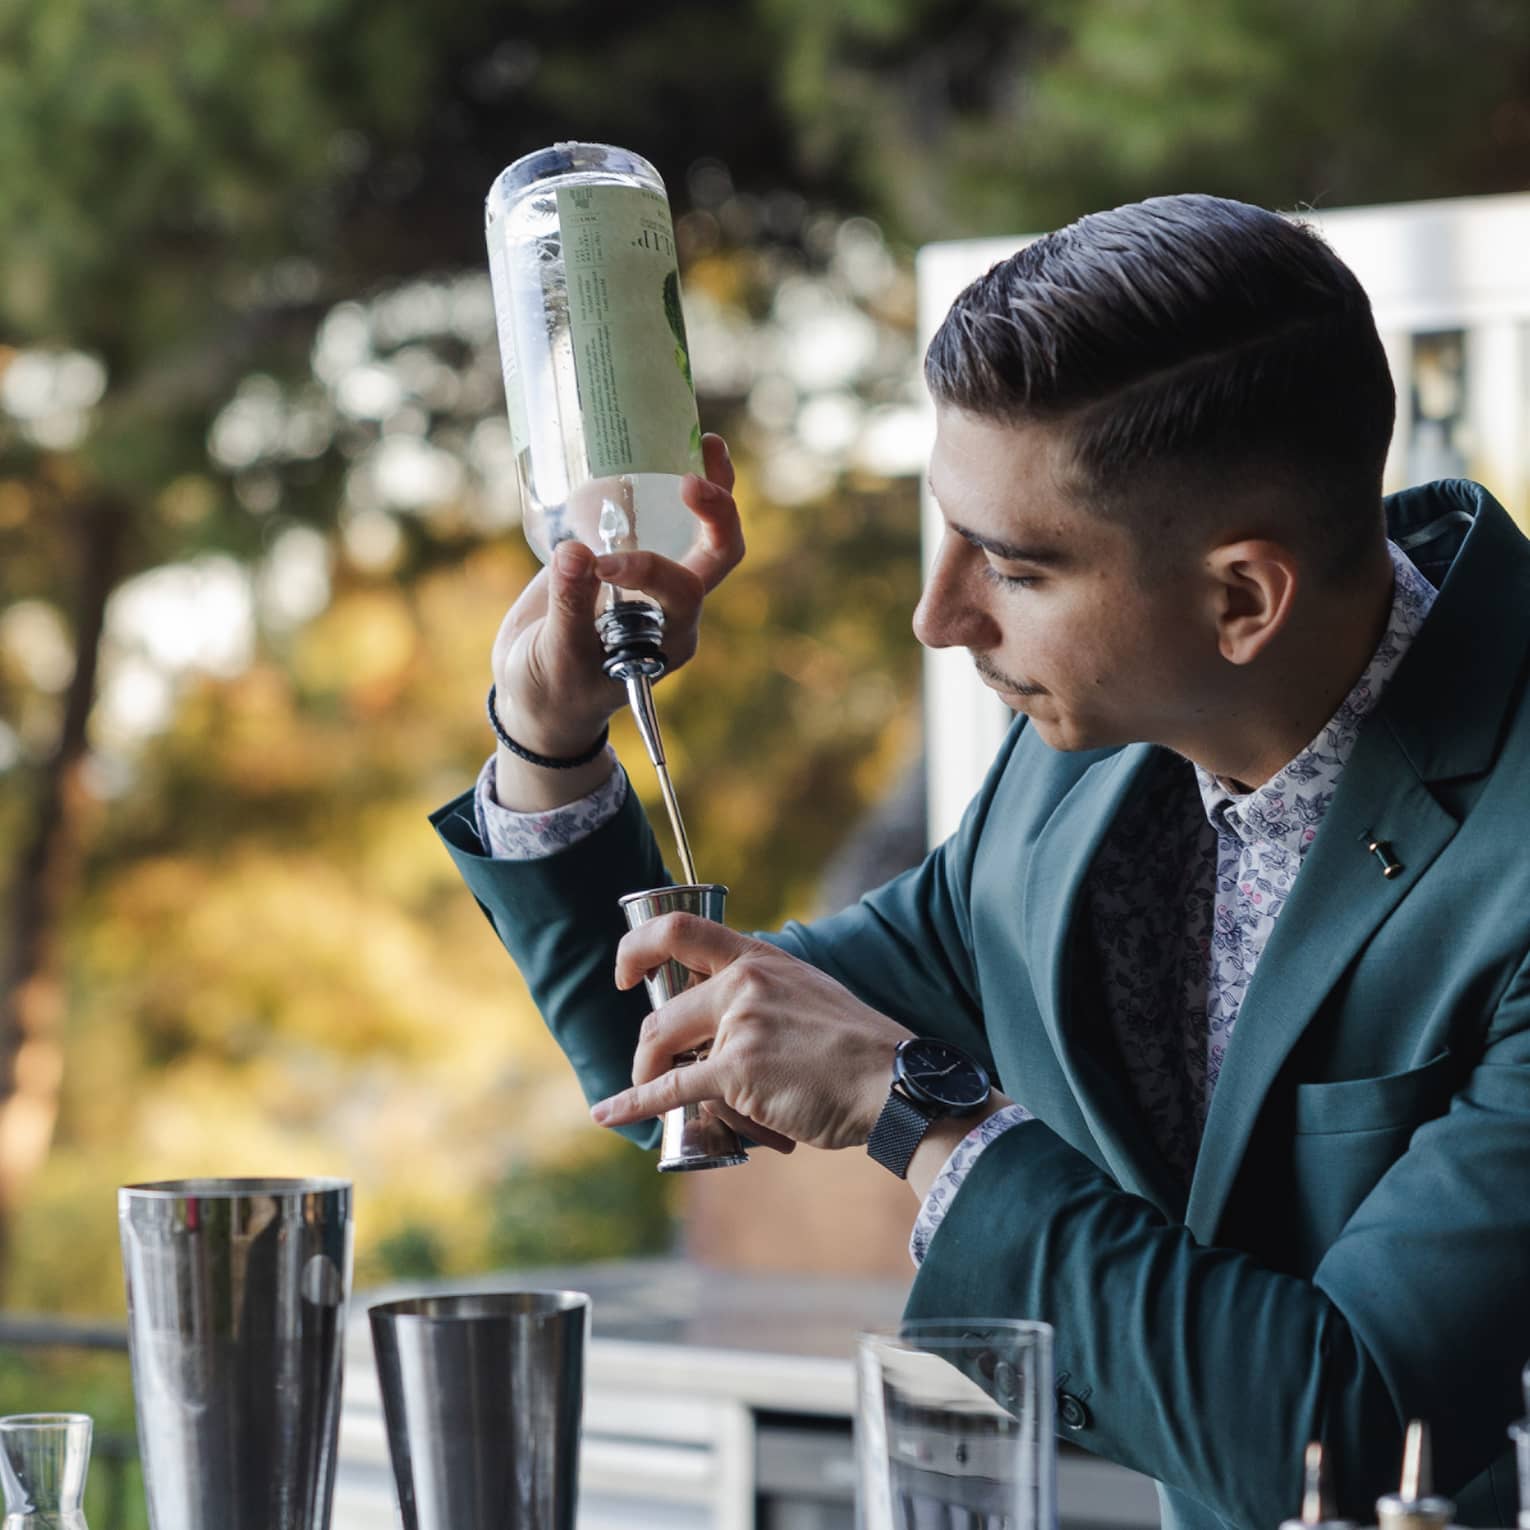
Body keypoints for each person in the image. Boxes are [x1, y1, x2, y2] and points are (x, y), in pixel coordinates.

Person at [431, 193, 1530, 1530]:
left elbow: (1346, 1430)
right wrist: (549, 736)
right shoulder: (1080, 766)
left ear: (1241, 597)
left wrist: (925, 1114)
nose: (933, 614)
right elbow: (687, 1065)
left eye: (1010, 568)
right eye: (943, 529)